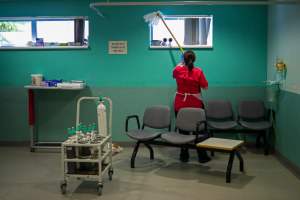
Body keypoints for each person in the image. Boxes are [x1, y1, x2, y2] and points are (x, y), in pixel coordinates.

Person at [173, 50, 210, 163]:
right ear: (194, 59)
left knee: (183, 131)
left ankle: (184, 155)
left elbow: (173, 75)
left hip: (180, 104)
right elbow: (205, 86)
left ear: (183, 59)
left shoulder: (178, 70)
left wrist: (180, 65)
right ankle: (202, 156)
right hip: (195, 106)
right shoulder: (198, 71)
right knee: (198, 131)